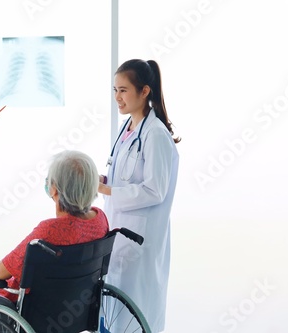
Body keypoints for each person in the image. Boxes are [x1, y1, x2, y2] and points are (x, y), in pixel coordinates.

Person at [0, 150, 109, 302]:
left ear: (55, 189)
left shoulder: (49, 230)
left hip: (32, 307)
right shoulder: (100, 219)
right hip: (74, 305)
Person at [98, 59, 180, 333]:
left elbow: (155, 190)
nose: (117, 97)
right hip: (120, 235)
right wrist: (104, 181)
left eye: (123, 90)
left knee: (137, 315)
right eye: (114, 90)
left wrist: (108, 190)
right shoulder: (129, 128)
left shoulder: (155, 134)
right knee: (116, 315)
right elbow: (126, 176)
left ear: (144, 91)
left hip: (140, 242)